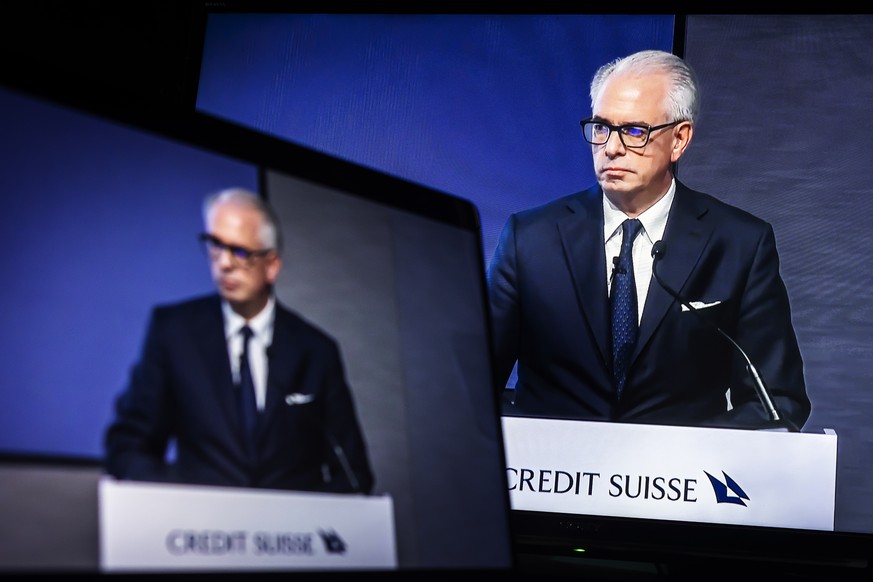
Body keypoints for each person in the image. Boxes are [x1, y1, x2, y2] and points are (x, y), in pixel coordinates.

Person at [487, 49, 811, 431]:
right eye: (602, 127)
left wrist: (682, 465)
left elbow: (776, 402)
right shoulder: (531, 238)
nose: (611, 147)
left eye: (634, 131)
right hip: (549, 479)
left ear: (679, 139)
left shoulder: (739, 243)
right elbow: (473, 384)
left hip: (679, 483)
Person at [104, 187, 374, 493]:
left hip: (290, 532)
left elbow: (353, 473)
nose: (224, 263)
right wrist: (179, 502)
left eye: (241, 252)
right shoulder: (174, 332)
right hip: (200, 528)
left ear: (272, 265)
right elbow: (128, 446)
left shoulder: (316, 351)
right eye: (215, 245)